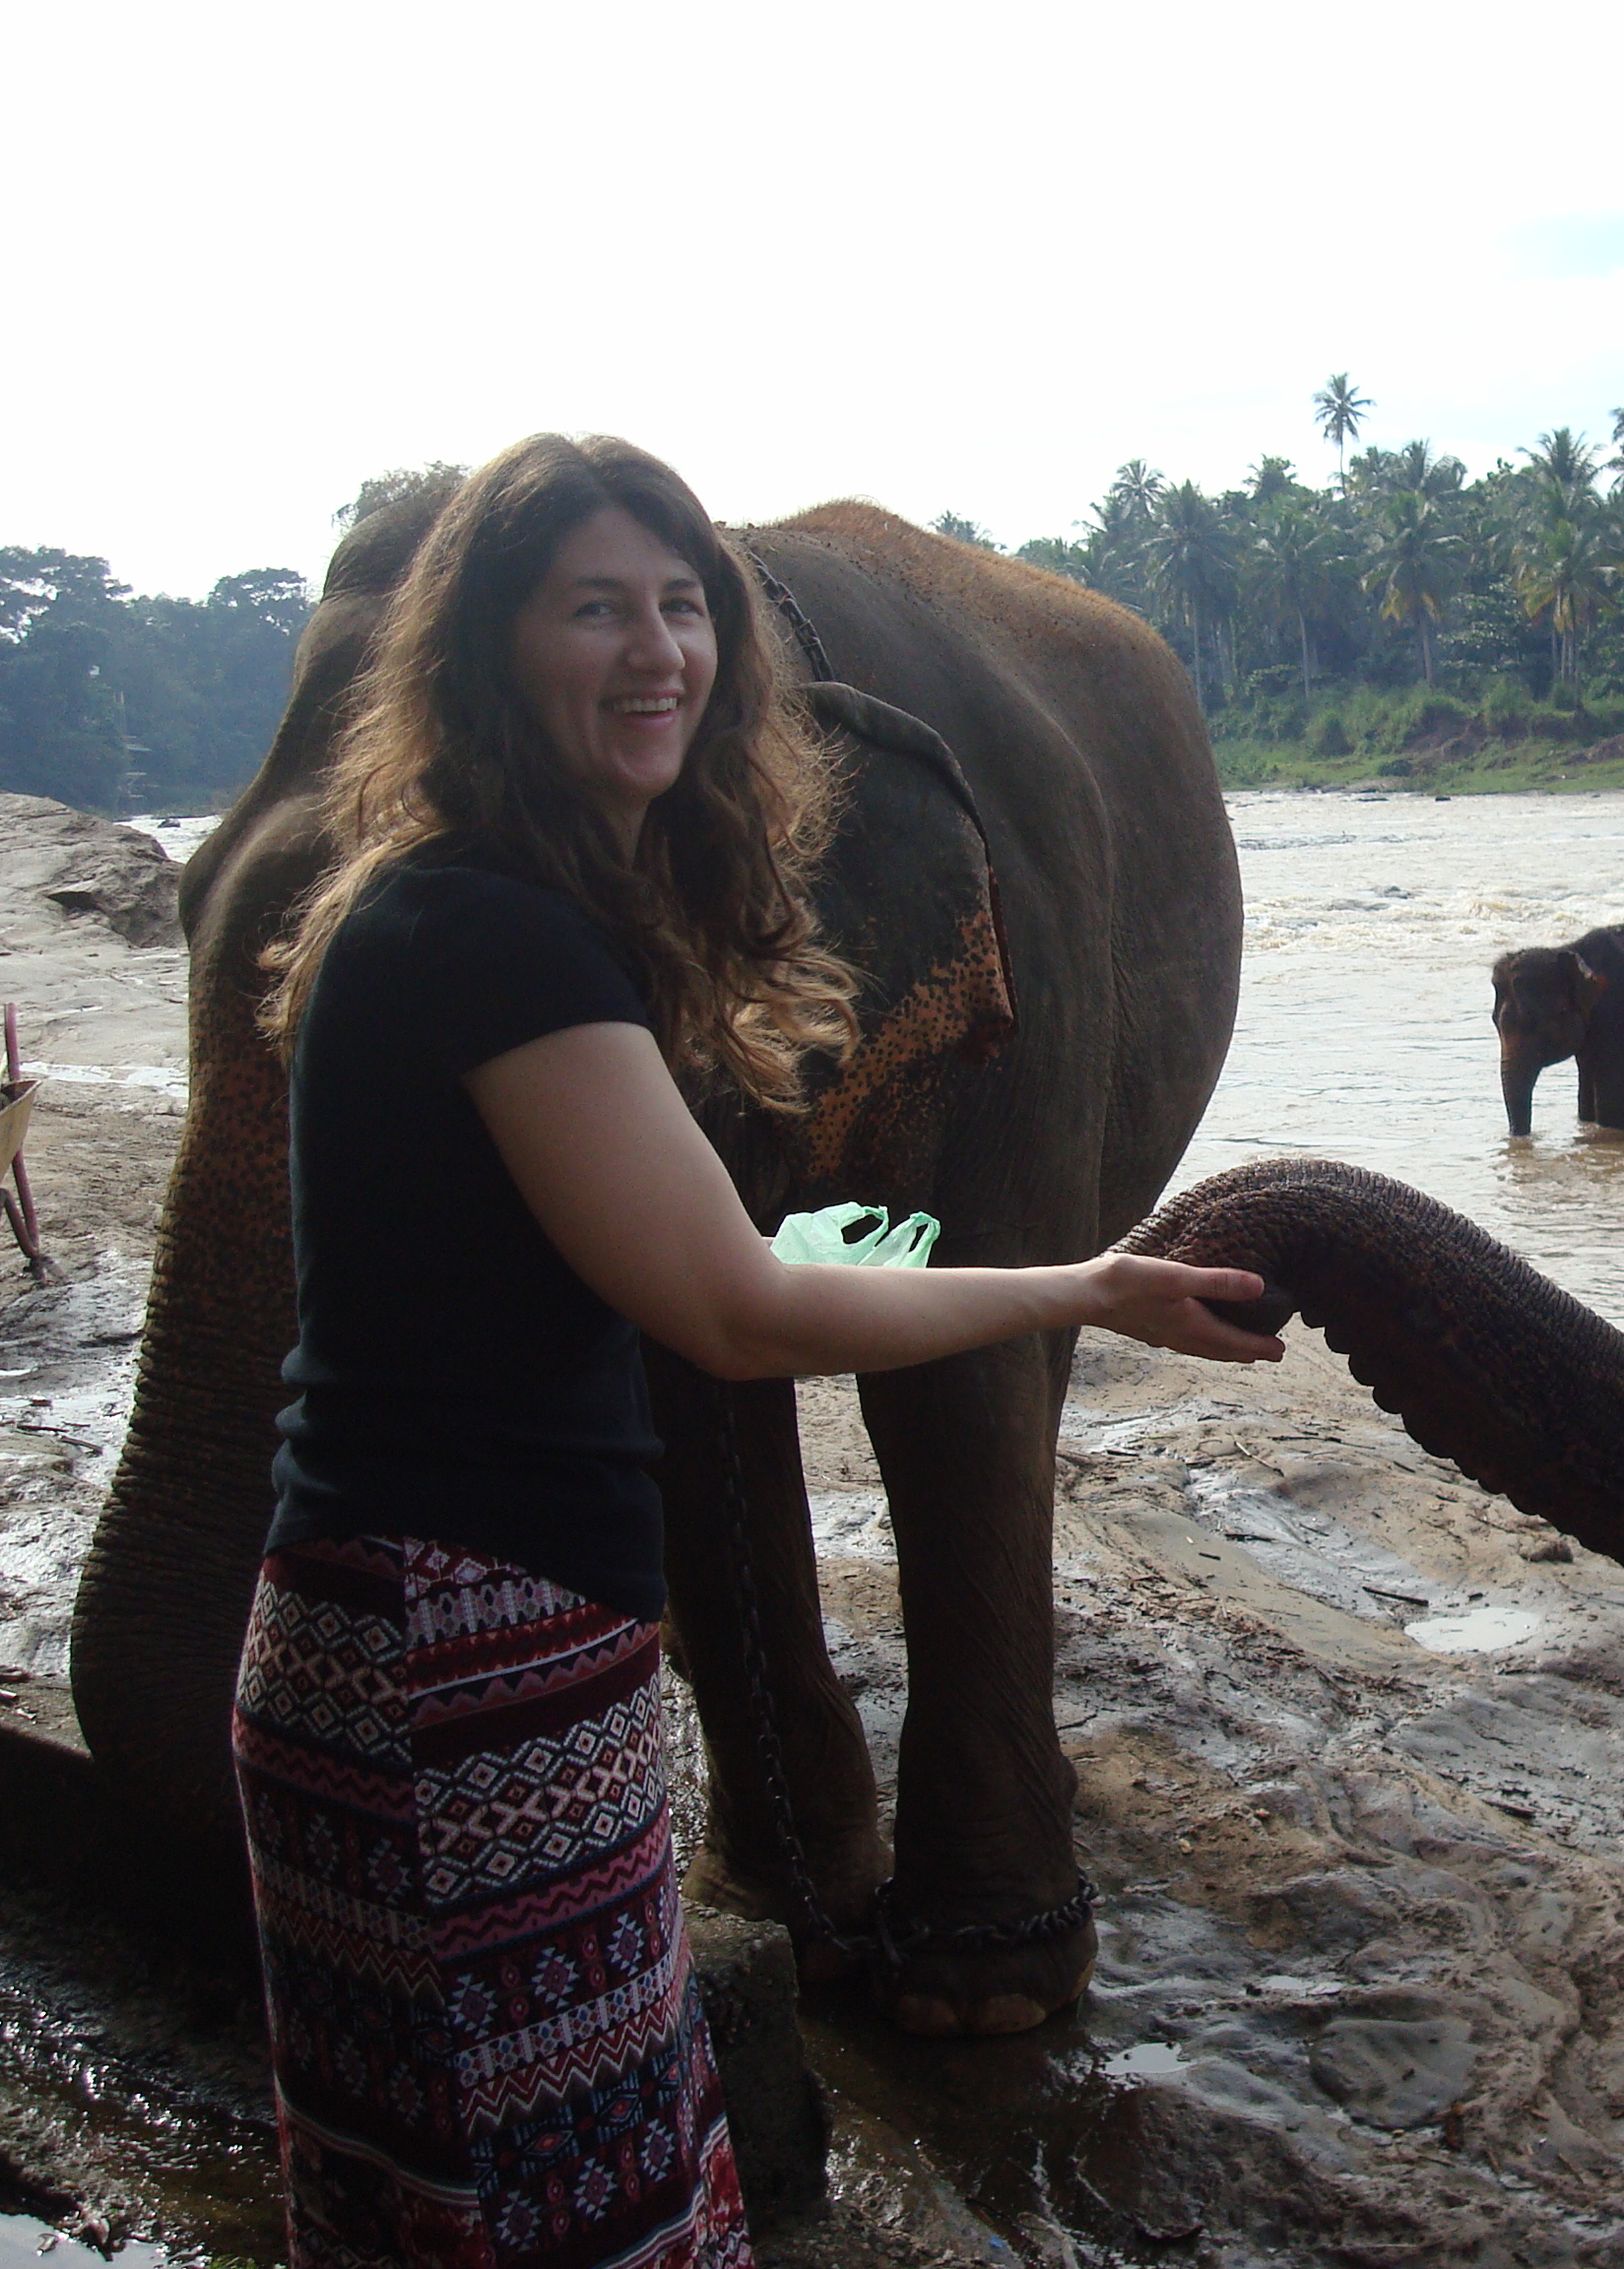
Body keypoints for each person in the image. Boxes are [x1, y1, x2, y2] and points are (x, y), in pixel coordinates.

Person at [230, 432, 1279, 2269]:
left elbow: (694, 1280)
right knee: (573, 2200)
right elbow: (730, 1306)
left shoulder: (521, 913)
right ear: (486, 652)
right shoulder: (492, 936)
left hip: (452, 1646)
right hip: (457, 1673)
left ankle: (873, 1832)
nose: (657, 653)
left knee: (445, 2191)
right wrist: (1084, 1291)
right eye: (595, 612)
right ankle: (834, 1840)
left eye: (681, 606)